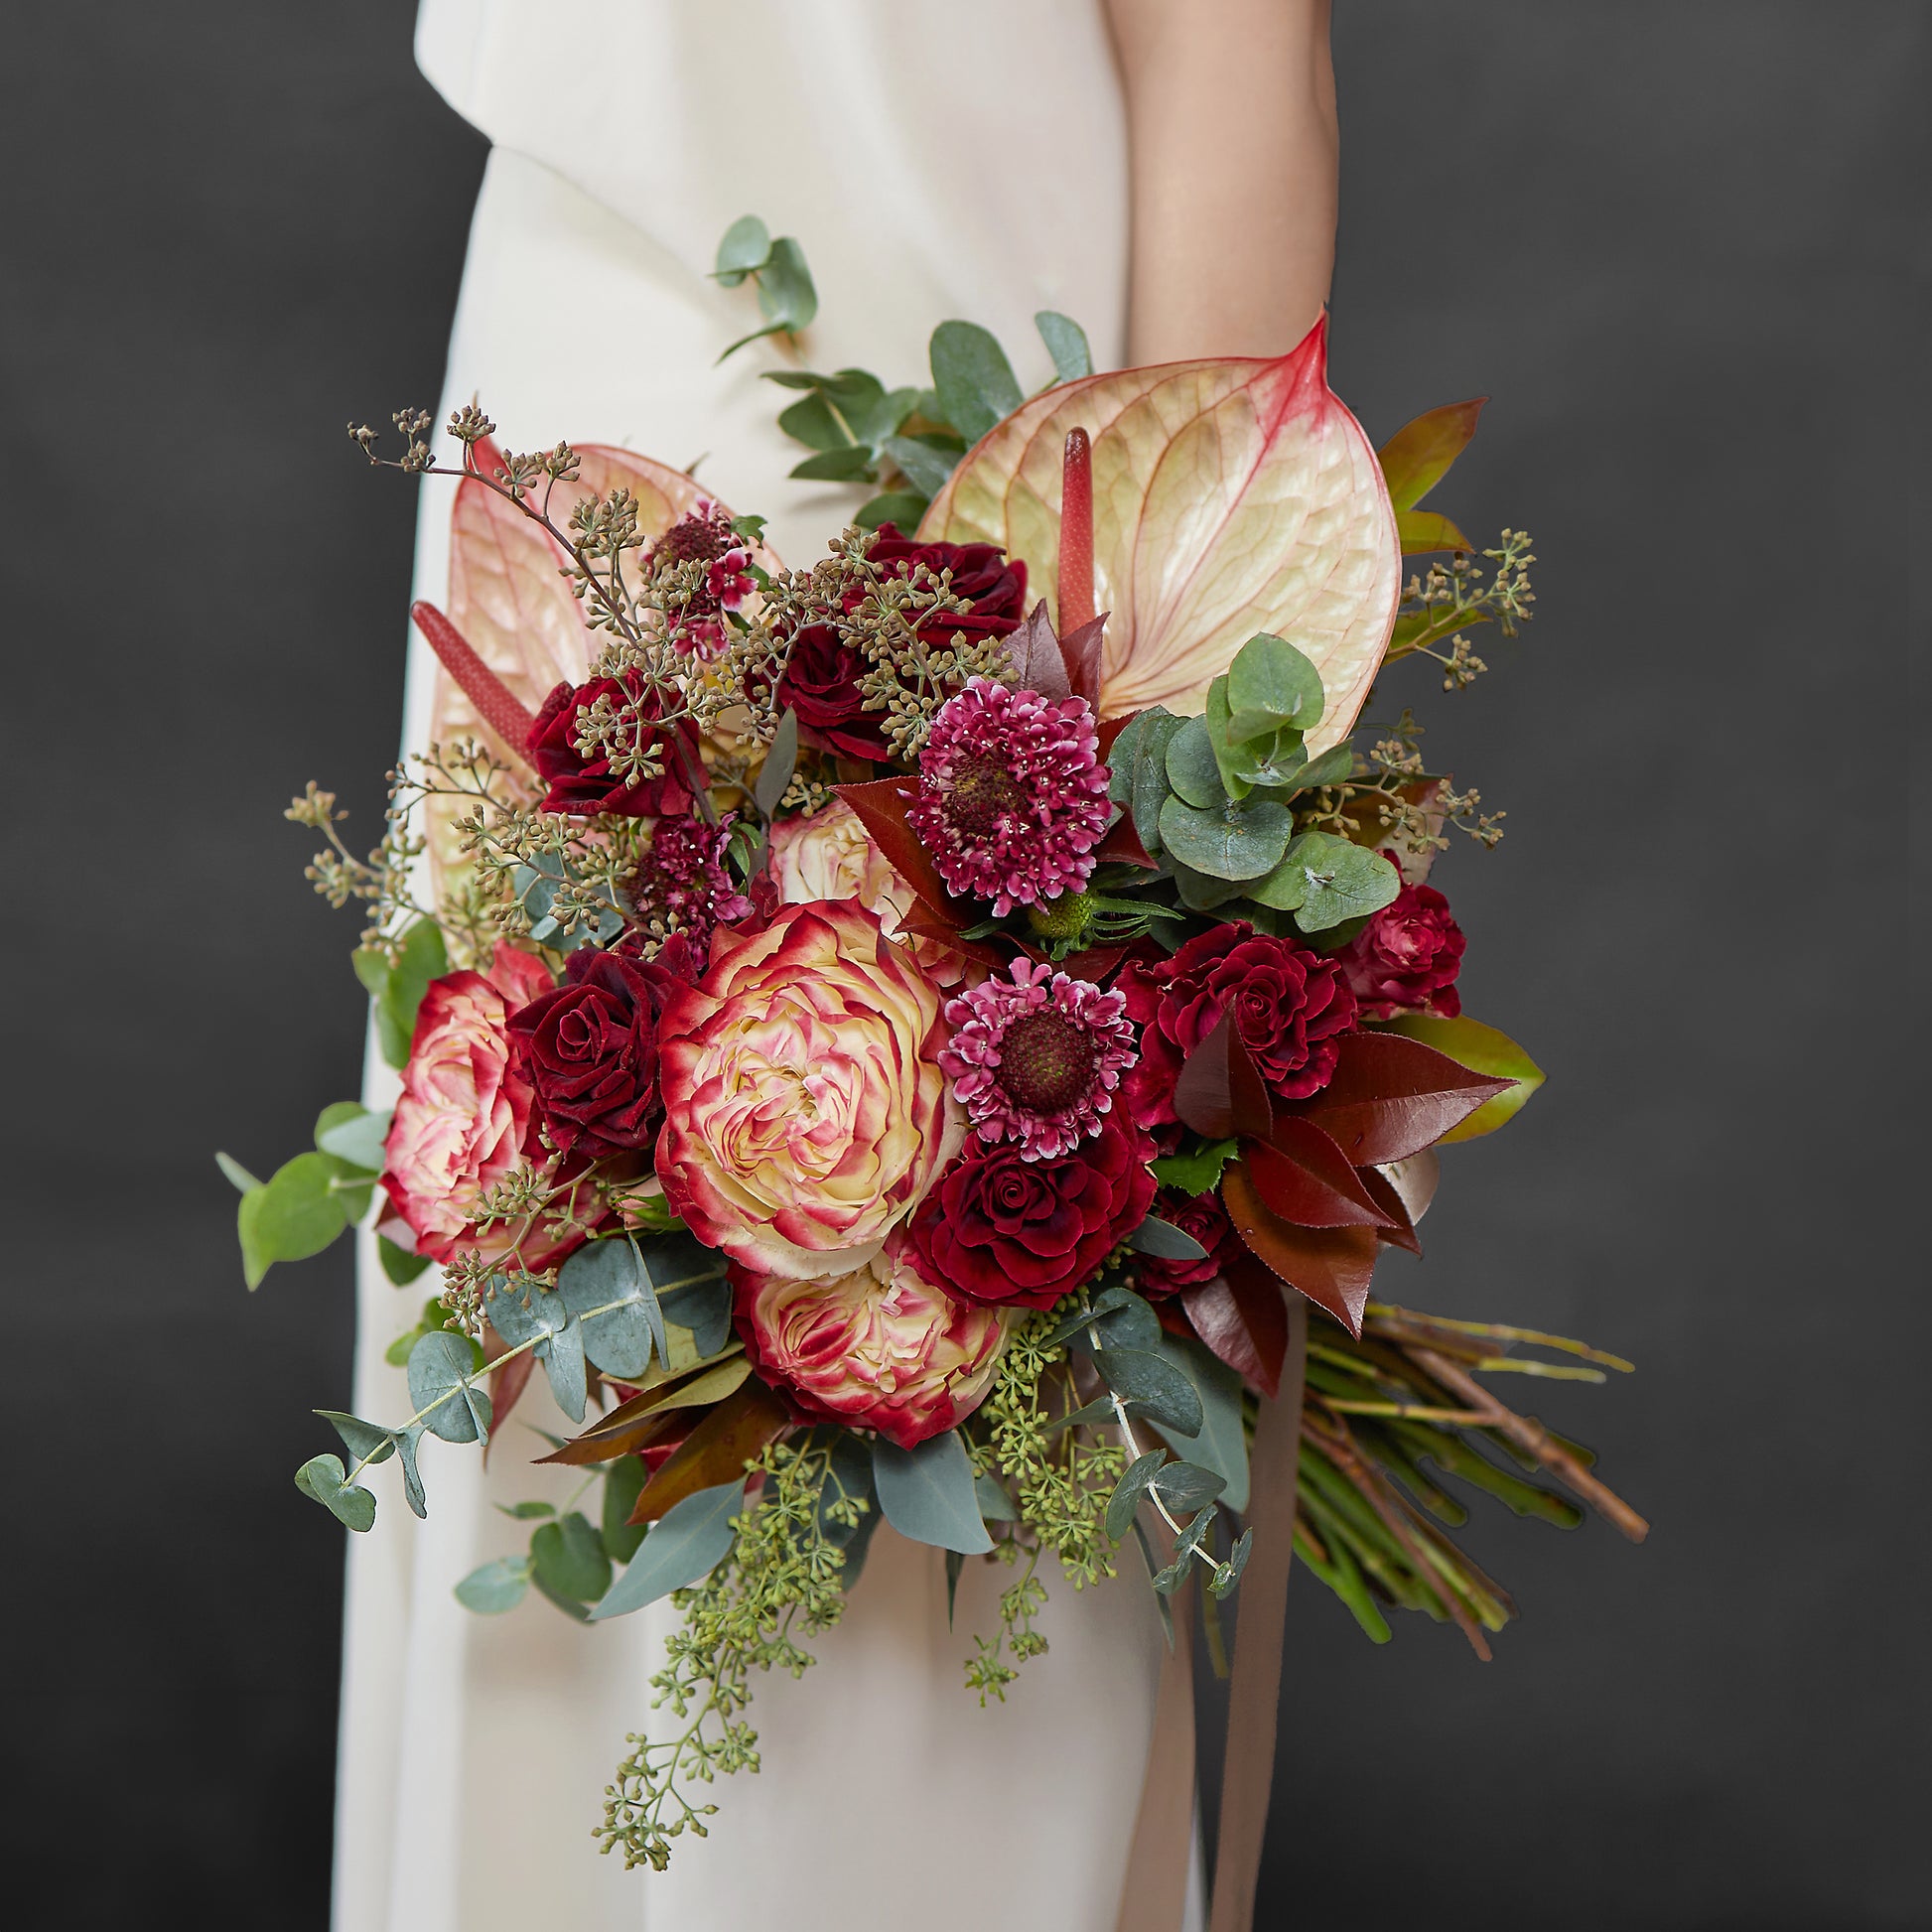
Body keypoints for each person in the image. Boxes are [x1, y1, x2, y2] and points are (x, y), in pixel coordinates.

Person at [336, 7, 1337, 1928]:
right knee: (572, 1369)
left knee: (912, 1524)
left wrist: (1183, 708)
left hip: (965, 447)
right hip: (605, 375)